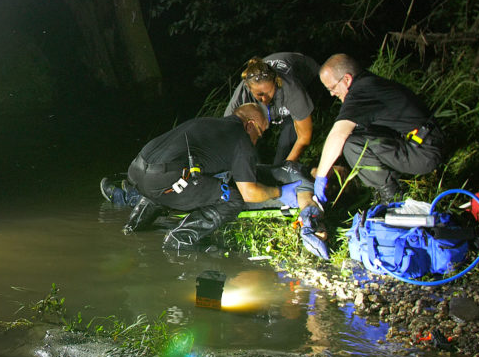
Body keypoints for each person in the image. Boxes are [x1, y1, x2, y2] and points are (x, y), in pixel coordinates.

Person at [103, 103, 324, 253]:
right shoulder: (241, 140)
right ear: (249, 125)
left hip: (137, 170)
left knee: (176, 183)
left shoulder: (209, 124)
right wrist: (279, 192)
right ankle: (179, 240)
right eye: (260, 132)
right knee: (233, 199)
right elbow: (250, 193)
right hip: (165, 178)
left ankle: (132, 228)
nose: (258, 139)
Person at [312, 53, 444, 205]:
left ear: (347, 79)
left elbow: (338, 134)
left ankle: (392, 195)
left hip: (424, 152)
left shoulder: (361, 92)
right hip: (422, 142)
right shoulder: (369, 84)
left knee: (351, 143)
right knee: (356, 133)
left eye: (332, 88)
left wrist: (320, 178)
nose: (332, 94)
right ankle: (390, 182)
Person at [224, 53, 319, 169]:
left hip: (310, 77)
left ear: (276, 82)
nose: (265, 99)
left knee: (287, 138)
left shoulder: (291, 88)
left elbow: (304, 137)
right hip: (270, 99)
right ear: (248, 88)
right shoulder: (241, 96)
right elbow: (227, 134)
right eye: (260, 95)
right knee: (248, 140)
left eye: (269, 92)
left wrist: (284, 169)